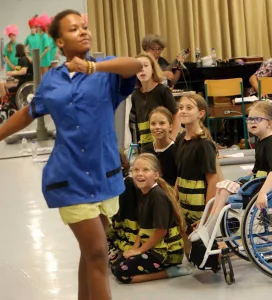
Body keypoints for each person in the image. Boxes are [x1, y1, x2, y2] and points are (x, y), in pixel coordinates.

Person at [0, 9, 142, 300]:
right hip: (70, 176)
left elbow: (135, 64)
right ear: (59, 41)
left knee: (91, 252)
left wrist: (93, 69)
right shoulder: (52, 80)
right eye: (74, 29)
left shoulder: (106, 69)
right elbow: (29, 112)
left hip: (106, 174)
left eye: (84, 27)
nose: (83, 32)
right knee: (98, 251)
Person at [190, 100, 272, 244]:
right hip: (261, 182)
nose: (252, 122)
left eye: (257, 119)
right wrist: (239, 181)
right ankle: (206, 228)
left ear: (269, 123)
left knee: (224, 191)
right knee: (222, 187)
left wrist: (262, 193)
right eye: (250, 119)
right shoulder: (262, 141)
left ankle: (209, 230)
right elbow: (257, 171)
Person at [111, 153, 191, 283]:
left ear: (156, 175)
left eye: (145, 170)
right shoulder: (143, 193)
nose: (139, 174)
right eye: (136, 170)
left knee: (122, 272)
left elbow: (161, 231)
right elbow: (142, 228)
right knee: (115, 266)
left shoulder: (157, 197)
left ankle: (168, 272)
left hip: (166, 254)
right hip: (153, 248)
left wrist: (140, 250)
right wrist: (134, 248)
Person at [175, 94, 218, 256]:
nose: (183, 111)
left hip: (199, 205)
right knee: (190, 254)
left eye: (189, 108)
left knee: (205, 255)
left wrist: (206, 215)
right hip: (185, 204)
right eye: (180, 108)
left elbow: (212, 180)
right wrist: (174, 200)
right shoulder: (180, 140)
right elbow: (179, 175)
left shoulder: (204, 144)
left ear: (200, 114)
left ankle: (223, 253)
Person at [131, 52, 181, 147]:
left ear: (153, 69)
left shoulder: (162, 90)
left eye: (146, 66)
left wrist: (172, 138)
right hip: (146, 146)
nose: (142, 69)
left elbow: (176, 114)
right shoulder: (135, 94)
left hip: (164, 143)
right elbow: (138, 120)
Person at [142, 106, 178, 186]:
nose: (157, 127)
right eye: (153, 124)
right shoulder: (146, 151)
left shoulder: (177, 150)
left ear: (171, 127)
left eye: (162, 123)